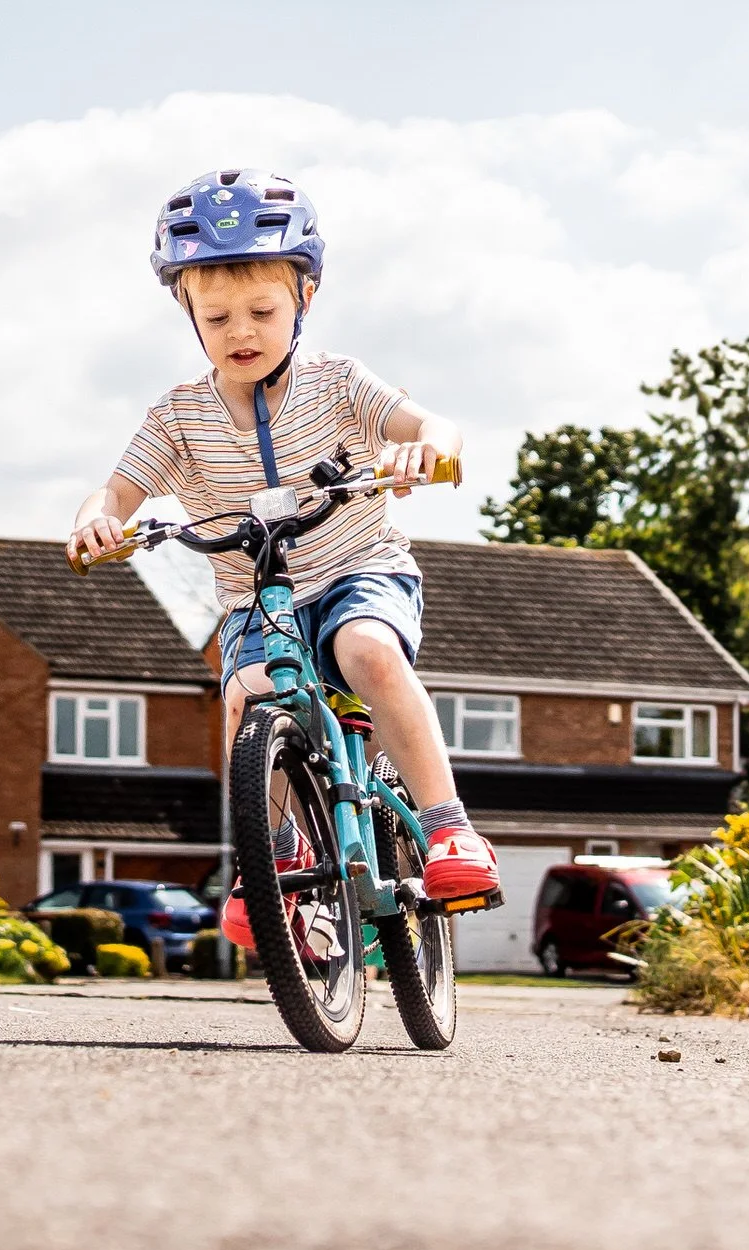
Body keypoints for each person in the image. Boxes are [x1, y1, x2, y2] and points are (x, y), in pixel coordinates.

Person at [66, 167, 503, 952]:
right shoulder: (179, 417)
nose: (242, 331)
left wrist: (427, 450)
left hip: (358, 568)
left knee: (364, 648)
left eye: (262, 310)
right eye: (217, 315)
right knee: (244, 693)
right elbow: (115, 492)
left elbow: (433, 426)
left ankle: (449, 830)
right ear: (187, 313)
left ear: (304, 298)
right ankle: (274, 862)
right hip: (258, 600)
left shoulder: (340, 384)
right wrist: (97, 523)